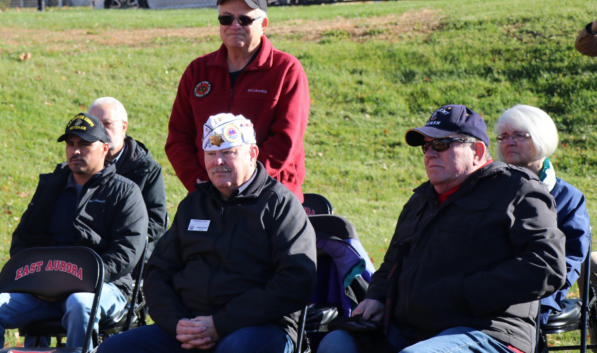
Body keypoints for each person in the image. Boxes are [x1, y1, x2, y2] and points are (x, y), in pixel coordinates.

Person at [318, 105, 567, 353]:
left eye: (442, 144)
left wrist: (464, 293)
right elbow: (392, 262)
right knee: (335, 343)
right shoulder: (420, 200)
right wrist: (376, 297)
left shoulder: (516, 189)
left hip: (485, 329)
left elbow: (546, 266)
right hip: (409, 330)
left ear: (477, 151)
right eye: (426, 146)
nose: (430, 154)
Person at [99, 113, 317, 353]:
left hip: (259, 326)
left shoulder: (281, 205)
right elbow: (158, 273)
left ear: (252, 154)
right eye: (211, 154)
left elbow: (296, 280)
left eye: (228, 152)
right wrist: (178, 324)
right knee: (114, 348)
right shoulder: (193, 205)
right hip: (187, 327)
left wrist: (220, 324)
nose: (218, 162)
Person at [0, 113, 148, 352]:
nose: (76, 151)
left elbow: (126, 253)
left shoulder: (126, 192)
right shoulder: (50, 187)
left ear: (105, 149)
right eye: (70, 144)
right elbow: (22, 240)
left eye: (85, 144)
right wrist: (38, 282)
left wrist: (75, 282)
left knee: (79, 303)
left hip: (103, 288)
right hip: (42, 291)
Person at [166, 0, 310, 201]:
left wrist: (244, 182)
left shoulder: (286, 70)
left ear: (264, 25)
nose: (234, 25)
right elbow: (179, 138)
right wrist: (202, 184)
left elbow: (285, 140)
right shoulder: (198, 71)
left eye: (244, 19)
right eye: (226, 19)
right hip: (209, 197)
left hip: (270, 198)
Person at [494, 105, 590, 326]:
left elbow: (570, 261)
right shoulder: (488, 188)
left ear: (541, 138)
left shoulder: (567, 198)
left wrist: (538, 303)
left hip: (533, 299)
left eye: (519, 135)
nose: (509, 142)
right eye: (504, 136)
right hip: (481, 292)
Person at [88, 97, 167, 261]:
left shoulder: (147, 170)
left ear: (123, 126)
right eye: (95, 125)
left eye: (107, 124)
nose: (101, 131)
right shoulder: (79, 167)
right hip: (83, 254)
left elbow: (156, 224)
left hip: (126, 258)